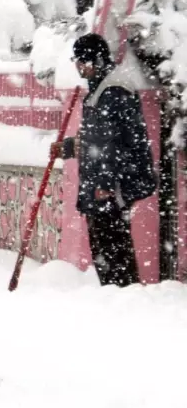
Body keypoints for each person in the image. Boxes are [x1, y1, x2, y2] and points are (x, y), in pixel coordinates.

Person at [49, 33, 157, 287]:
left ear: (96, 60)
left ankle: (121, 295)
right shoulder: (102, 87)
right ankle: (117, 294)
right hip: (109, 182)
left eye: (82, 61)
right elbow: (98, 139)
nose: (78, 66)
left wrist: (106, 184)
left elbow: (111, 144)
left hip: (110, 186)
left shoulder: (112, 90)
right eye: (76, 60)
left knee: (111, 247)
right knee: (107, 246)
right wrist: (70, 147)